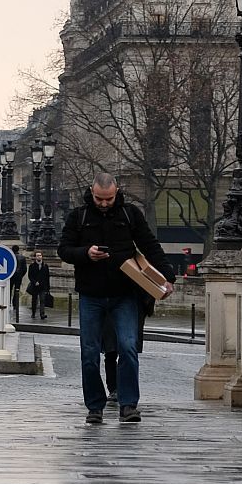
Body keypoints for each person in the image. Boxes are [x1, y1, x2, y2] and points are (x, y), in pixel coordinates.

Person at [58, 172, 171, 425]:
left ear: (117, 192)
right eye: (99, 198)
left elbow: (150, 245)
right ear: (92, 191)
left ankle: (128, 404)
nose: (104, 203)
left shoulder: (130, 214)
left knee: (129, 348)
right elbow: (63, 250)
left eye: (109, 199)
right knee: (89, 352)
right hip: (91, 294)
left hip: (125, 293)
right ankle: (94, 407)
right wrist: (86, 253)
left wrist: (168, 276)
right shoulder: (79, 216)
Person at [25, 251, 51, 322]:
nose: (39, 257)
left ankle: (42, 314)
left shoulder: (45, 266)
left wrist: (48, 288)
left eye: (40, 255)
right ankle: (33, 313)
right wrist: (34, 282)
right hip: (35, 286)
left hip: (43, 286)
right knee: (34, 300)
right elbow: (30, 276)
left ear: (42, 256)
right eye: (37, 255)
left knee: (42, 300)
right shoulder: (32, 266)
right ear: (35, 257)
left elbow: (47, 277)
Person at [9, 246, 25, 316]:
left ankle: (8, 302)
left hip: (10, 276)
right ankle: (15, 304)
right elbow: (24, 269)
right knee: (17, 290)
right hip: (18, 276)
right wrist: (21, 275)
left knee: (9, 290)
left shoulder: (10, 257)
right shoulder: (22, 257)